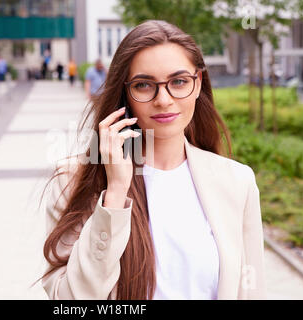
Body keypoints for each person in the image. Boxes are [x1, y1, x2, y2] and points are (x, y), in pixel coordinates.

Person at [36, 20, 266, 300]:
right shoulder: (72, 182)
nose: (164, 99)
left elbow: (250, 290)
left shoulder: (236, 181)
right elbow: (70, 299)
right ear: (125, 93)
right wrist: (116, 193)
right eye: (144, 85)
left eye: (179, 81)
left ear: (198, 83)